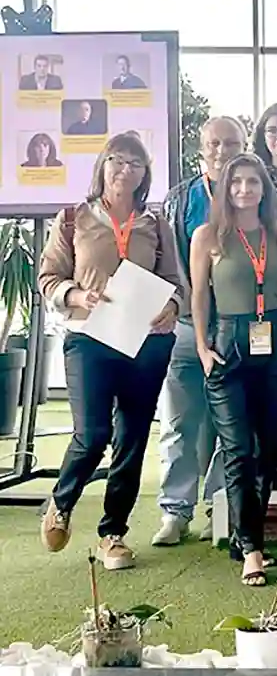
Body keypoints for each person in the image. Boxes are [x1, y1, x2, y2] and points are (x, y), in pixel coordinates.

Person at [38, 131, 180, 569]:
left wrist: (172, 307)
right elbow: (48, 278)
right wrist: (76, 295)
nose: (125, 170)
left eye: (135, 163)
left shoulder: (155, 224)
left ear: (144, 175)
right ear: (102, 165)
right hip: (89, 338)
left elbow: (175, 281)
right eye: (117, 160)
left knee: (131, 440)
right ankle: (61, 502)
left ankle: (113, 534)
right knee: (93, 434)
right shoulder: (73, 219)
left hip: (145, 343)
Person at [190, 154, 277, 586]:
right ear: (225, 188)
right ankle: (252, 550)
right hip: (229, 346)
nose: (244, 189)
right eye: (236, 182)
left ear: (265, 188)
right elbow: (200, 297)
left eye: (253, 182)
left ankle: (248, 538)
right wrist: (203, 348)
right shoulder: (208, 236)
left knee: (269, 450)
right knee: (238, 450)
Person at [157, 116, 246, 546]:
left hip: (233, 327)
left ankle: (219, 507)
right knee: (179, 420)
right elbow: (166, 260)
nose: (222, 151)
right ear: (201, 149)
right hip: (186, 326)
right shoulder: (178, 200)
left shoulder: (253, 196)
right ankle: (175, 511)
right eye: (214, 143)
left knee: (229, 422)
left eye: (231, 143)